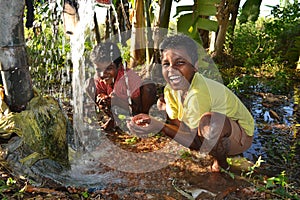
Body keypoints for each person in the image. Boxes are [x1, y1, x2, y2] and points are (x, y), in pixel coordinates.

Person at [128, 34, 254, 172]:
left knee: (209, 122)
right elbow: (180, 127)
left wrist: (160, 126)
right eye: (166, 64)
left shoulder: (199, 93)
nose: (171, 70)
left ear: (195, 66)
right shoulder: (170, 90)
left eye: (180, 63)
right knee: (162, 105)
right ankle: (208, 142)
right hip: (211, 130)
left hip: (240, 135)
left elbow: (196, 143)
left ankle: (222, 164)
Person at [86, 41, 157, 131]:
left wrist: (116, 101)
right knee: (88, 85)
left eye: (109, 68)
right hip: (116, 106)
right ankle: (114, 119)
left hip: (132, 108)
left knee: (149, 87)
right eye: (98, 69)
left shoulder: (129, 78)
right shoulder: (98, 78)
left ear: (119, 66)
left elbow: (137, 107)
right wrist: (103, 98)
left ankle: (142, 120)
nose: (103, 74)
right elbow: (102, 99)